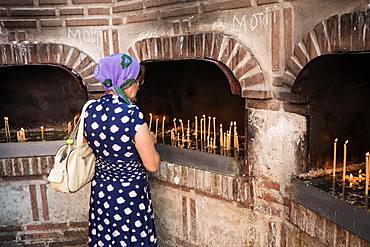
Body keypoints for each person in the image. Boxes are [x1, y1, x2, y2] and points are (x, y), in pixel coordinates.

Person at [84, 53, 160, 246]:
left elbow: (90, 144)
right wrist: (151, 141)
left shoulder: (90, 110)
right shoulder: (132, 115)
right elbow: (151, 165)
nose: (138, 87)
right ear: (126, 81)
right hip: (128, 196)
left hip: (102, 191)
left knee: (107, 238)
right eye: (137, 81)